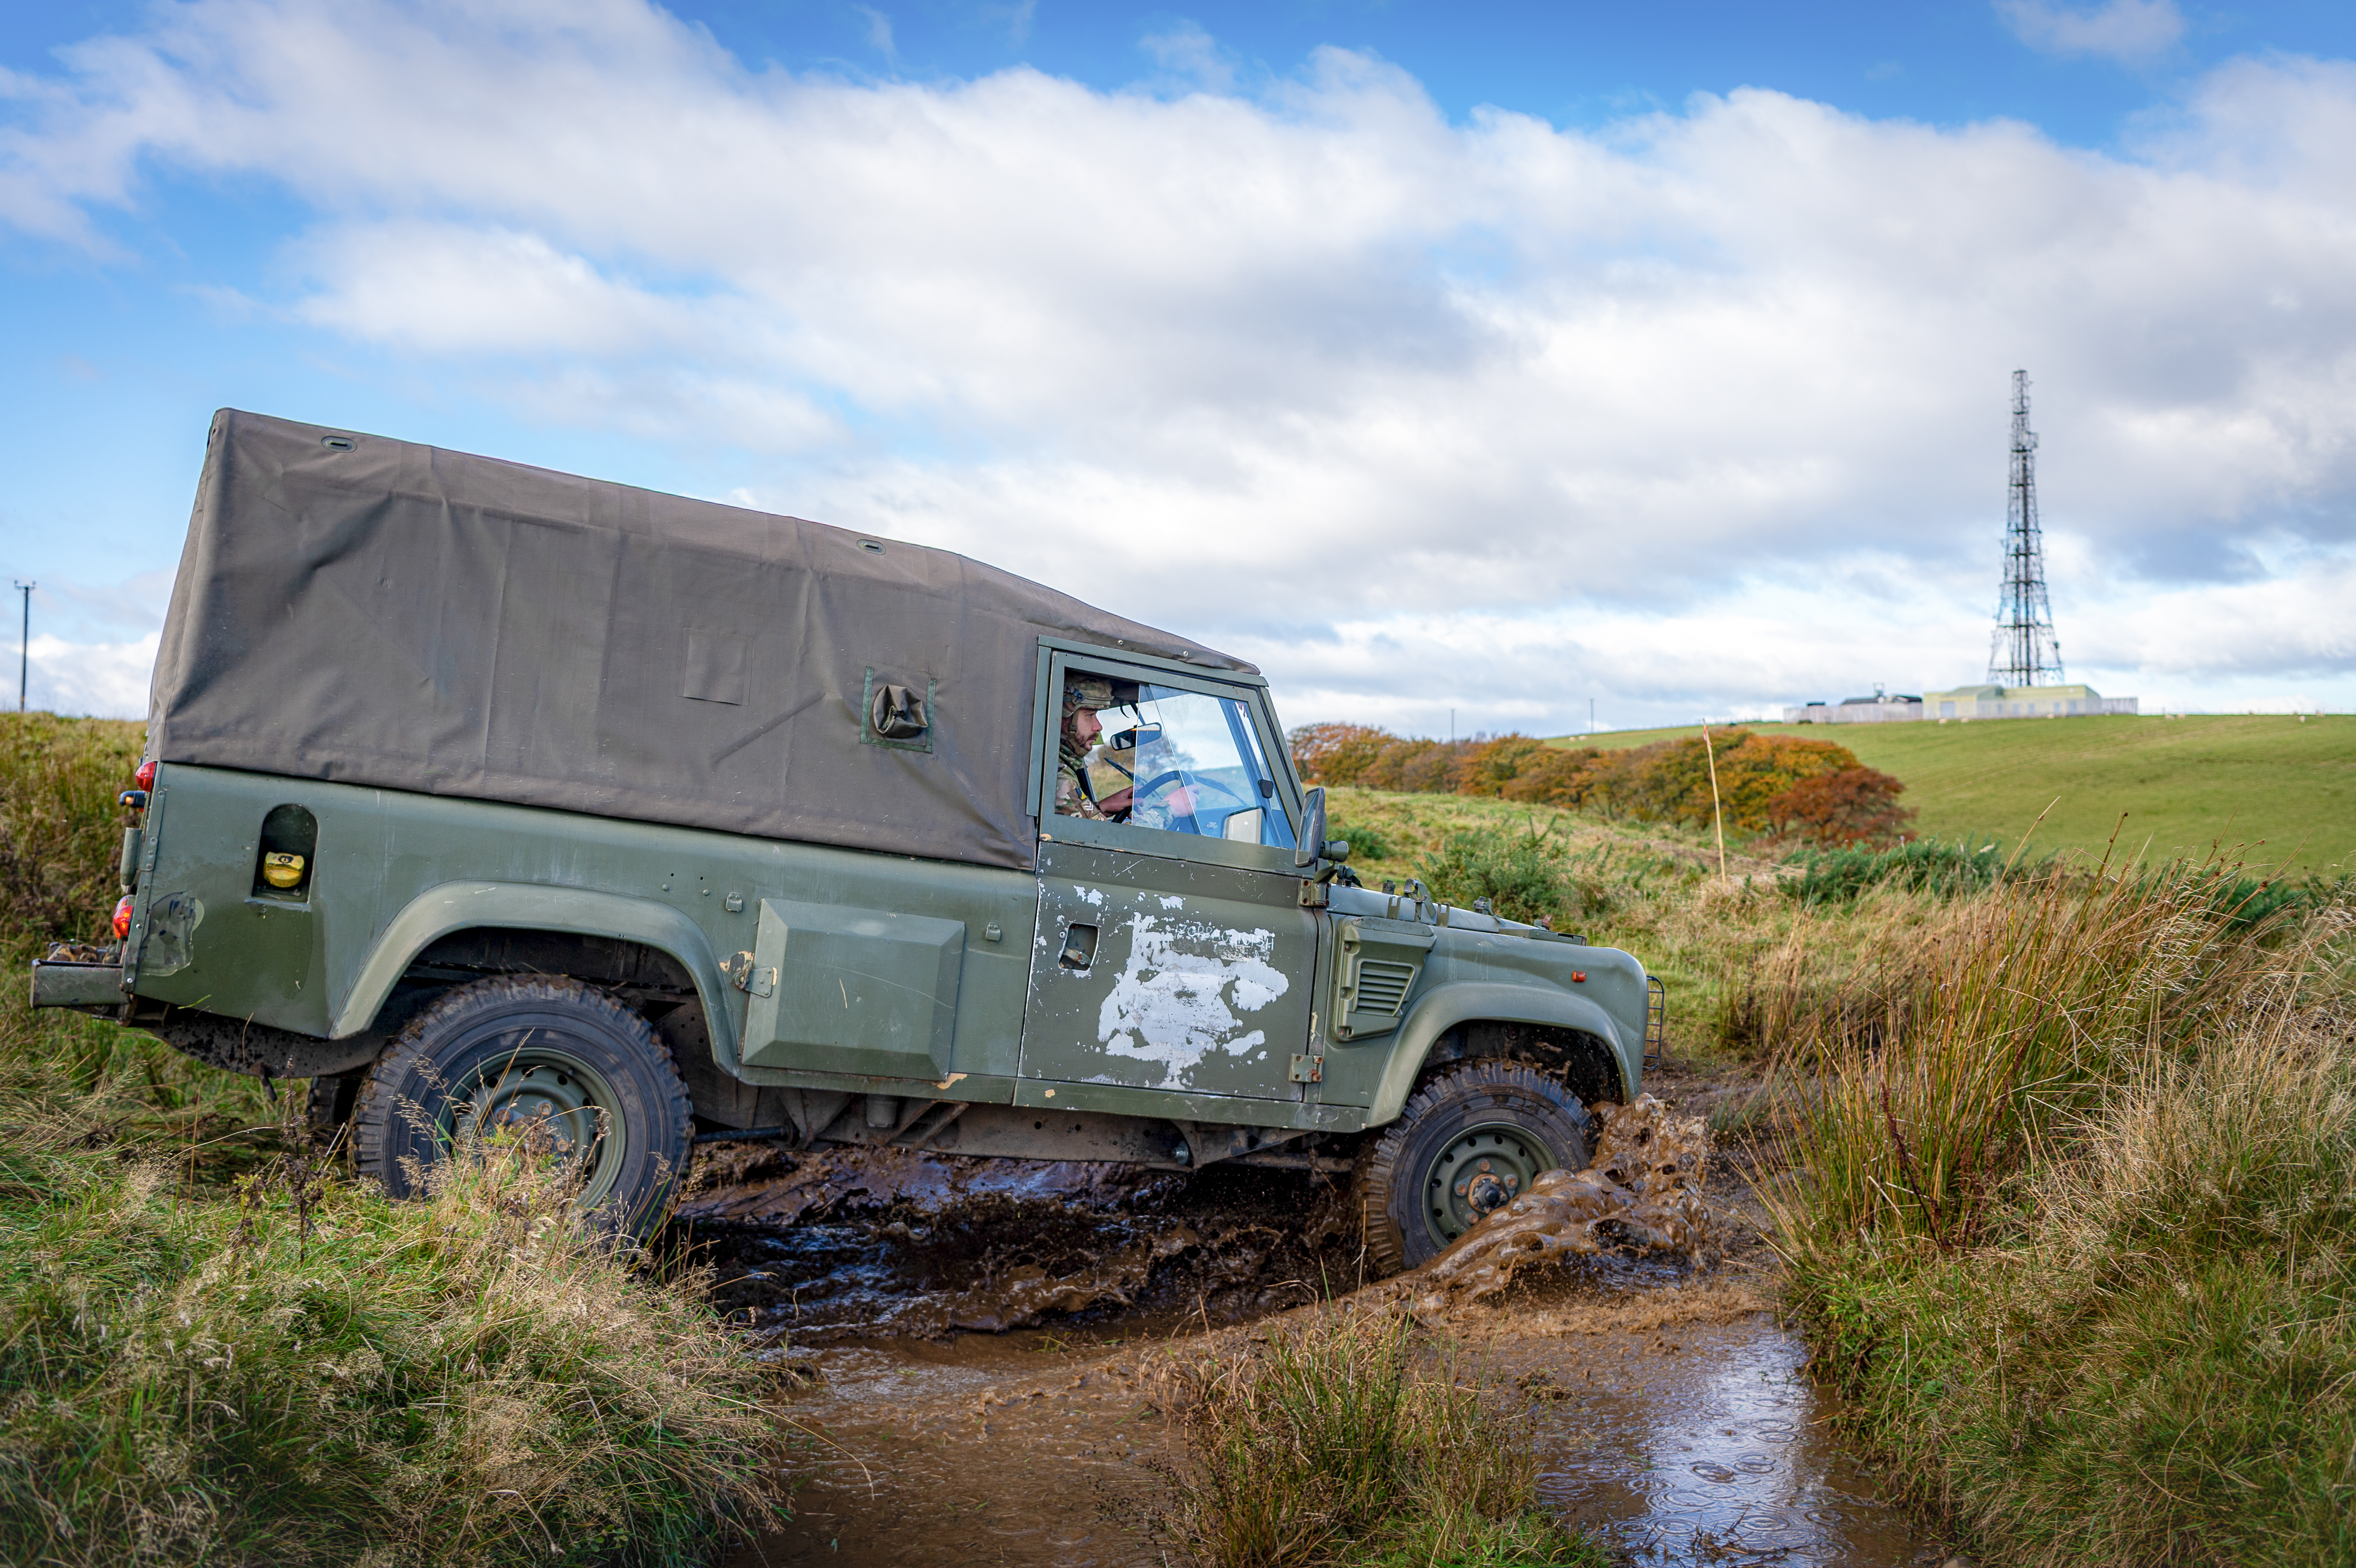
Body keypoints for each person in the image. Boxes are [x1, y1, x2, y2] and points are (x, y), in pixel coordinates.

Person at [1053, 676, 1119, 821]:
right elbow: (1103, 839)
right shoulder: (1057, 774)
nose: (1098, 727)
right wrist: (1167, 810)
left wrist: (1101, 808)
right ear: (1064, 716)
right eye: (1090, 715)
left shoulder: (1055, 765)